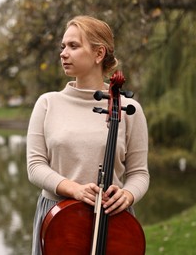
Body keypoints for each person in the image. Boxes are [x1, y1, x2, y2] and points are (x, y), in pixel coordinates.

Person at [26, 15, 149, 255]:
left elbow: (139, 173)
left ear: (98, 53)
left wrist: (128, 194)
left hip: (112, 220)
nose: (63, 53)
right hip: (58, 218)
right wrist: (74, 189)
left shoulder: (129, 109)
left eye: (73, 46)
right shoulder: (47, 103)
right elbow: (35, 166)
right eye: (63, 47)